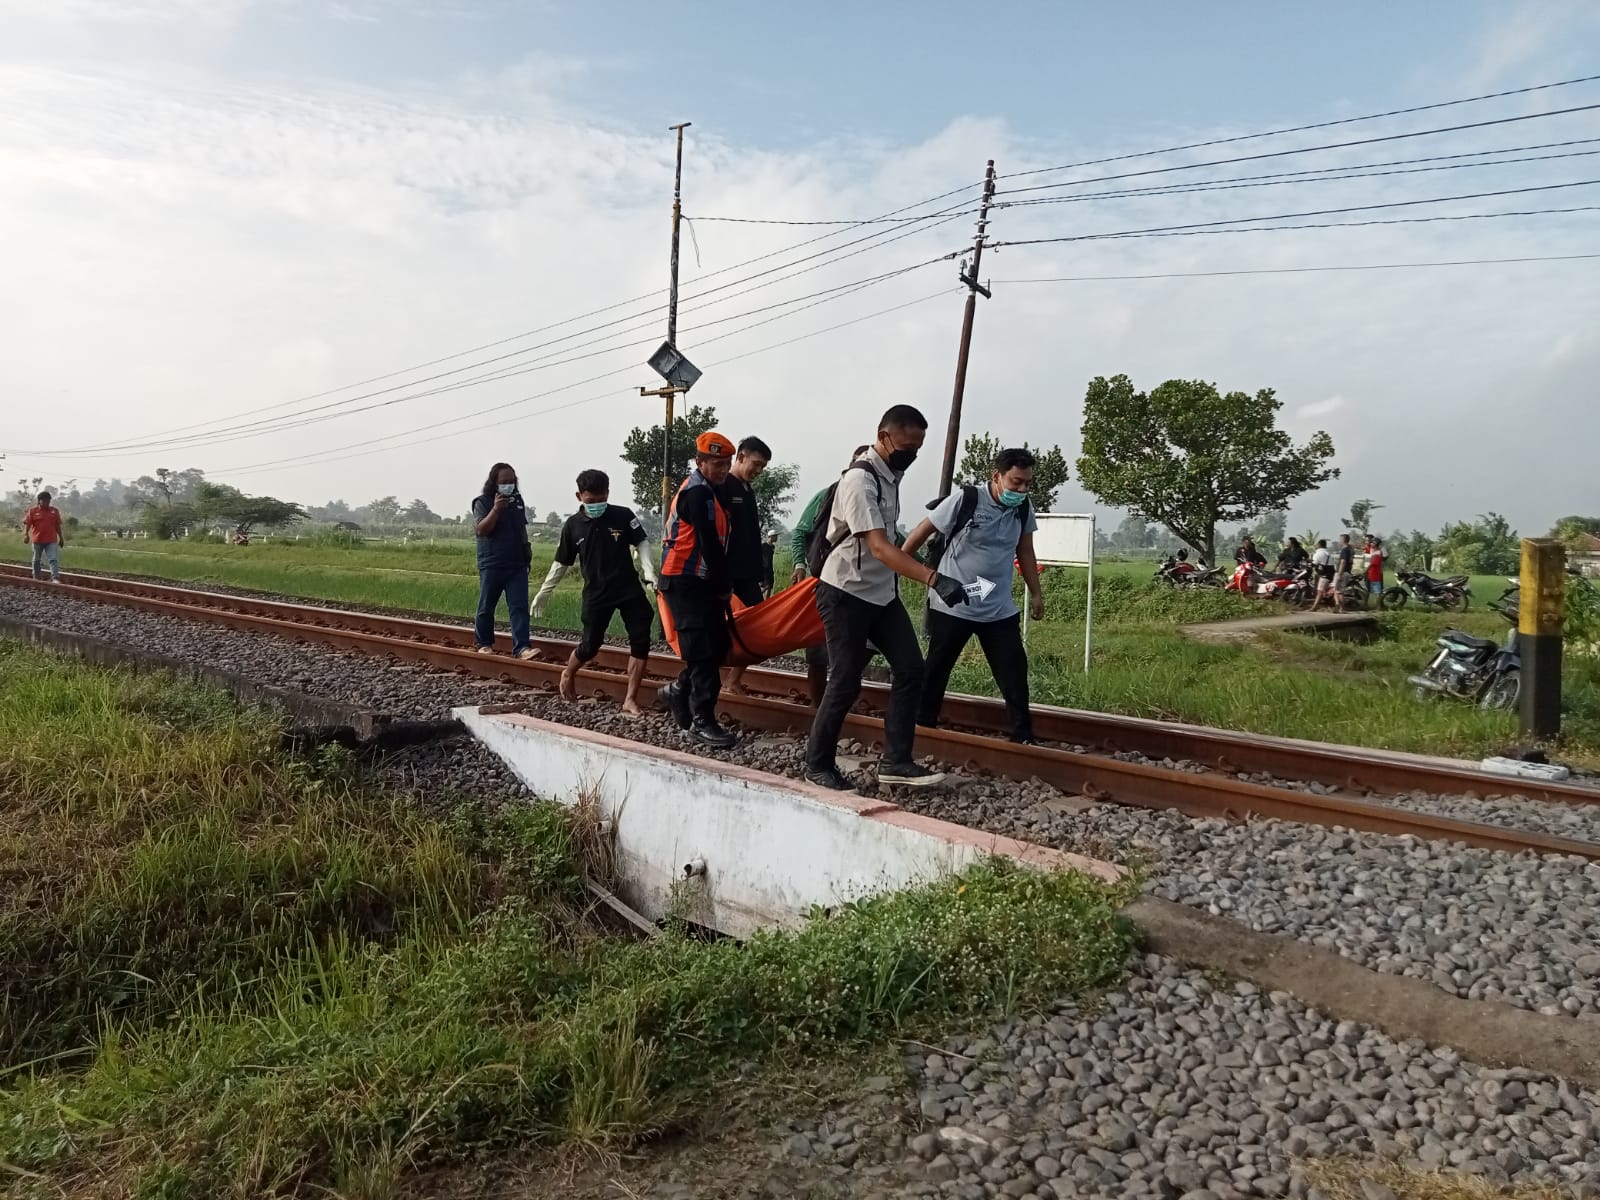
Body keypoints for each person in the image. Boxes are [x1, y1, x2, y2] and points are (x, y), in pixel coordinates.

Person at [804, 405, 969, 791]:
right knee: (845, 681)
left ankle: (896, 761)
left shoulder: (890, 476)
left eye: (918, 449)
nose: (911, 455)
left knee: (911, 670)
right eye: (907, 447)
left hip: (880, 594)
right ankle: (817, 764)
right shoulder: (860, 480)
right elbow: (879, 547)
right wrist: (933, 578)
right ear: (883, 436)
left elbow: (891, 540)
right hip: (845, 592)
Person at [904, 447, 1044, 744]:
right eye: (1016, 482)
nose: (1022, 489)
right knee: (938, 668)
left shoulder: (1022, 508)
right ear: (997, 476)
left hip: (998, 607)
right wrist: (900, 565)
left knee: (1013, 670)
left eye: (1027, 483)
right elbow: (920, 532)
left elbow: (1026, 552)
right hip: (954, 603)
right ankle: (922, 726)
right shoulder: (966, 499)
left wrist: (1036, 594)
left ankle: (1023, 736)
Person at [532, 469, 657, 717]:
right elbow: (562, 562)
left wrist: (650, 572)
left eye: (602, 499)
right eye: (591, 500)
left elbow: (641, 542)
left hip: (628, 588)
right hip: (596, 593)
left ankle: (630, 699)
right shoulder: (573, 526)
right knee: (590, 646)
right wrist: (544, 591)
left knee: (641, 641)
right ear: (579, 496)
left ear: (608, 493)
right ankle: (569, 672)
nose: (597, 504)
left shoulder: (623, 515)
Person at [656, 431, 740, 748]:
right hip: (685, 580)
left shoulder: (711, 491)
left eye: (727, 464)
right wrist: (724, 586)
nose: (723, 470)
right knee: (703, 652)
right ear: (700, 462)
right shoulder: (698, 494)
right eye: (717, 464)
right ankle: (702, 721)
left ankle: (678, 690)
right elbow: (709, 544)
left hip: (699, 581)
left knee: (715, 647)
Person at [786, 446, 872, 704]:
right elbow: (800, 532)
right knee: (818, 649)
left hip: (863, 587)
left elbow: (894, 540)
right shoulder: (828, 494)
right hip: (827, 581)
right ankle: (818, 706)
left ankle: (838, 703)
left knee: (859, 647)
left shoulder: (877, 497)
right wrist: (799, 564)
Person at [470, 463, 538, 660]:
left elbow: (521, 529)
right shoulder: (482, 502)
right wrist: (496, 510)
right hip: (492, 563)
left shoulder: (517, 501)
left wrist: (526, 554)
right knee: (487, 605)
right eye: (504, 481)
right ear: (494, 482)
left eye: (512, 481)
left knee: (519, 606)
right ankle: (484, 643)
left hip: (516, 563)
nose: (509, 485)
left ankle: (522, 647)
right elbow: (482, 529)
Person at [725, 436, 770, 608]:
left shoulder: (748, 490)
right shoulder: (724, 486)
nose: (759, 470)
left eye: (763, 467)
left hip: (749, 575)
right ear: (741, 457)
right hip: (730, 575)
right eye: (756, 464)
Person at [23, 491, 64, 583]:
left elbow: (57, 526)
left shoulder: (54, 511)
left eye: (48, 501)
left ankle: (55, 578)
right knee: (36, 560)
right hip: (37, 540)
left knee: (53, 559)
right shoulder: (33, 511)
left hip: (51, 540)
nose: (46, 502)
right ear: (39, 501)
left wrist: (61, 538)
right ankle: (36, 578)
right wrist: (26, 535)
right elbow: (28, 524)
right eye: (44, 500)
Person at [1307, 538, 1335, 611]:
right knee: (1322, 589)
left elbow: (1314, 563)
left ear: (1319, 545)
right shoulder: (1328, 553)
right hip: (1331, 573)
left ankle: (1314, 607)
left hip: (1324, 574)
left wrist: (1308, 565)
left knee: (1320, 591)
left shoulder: (1318, 553)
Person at [1334, 533, 1355, 612]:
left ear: (1343, 540)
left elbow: (1343, 562)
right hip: (1346, 572)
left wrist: (1339, 574)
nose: (1339, 541)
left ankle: (1341, 608)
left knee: (1339, 592)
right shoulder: (1350, 549)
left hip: (1343, 572)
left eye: (1340, 539)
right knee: (1336, 590)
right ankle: (1337, 605)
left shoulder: (1345, 550)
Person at [1365, 535, 1386, 607]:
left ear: (1375, 544)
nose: (1370, 543)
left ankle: (1378, 607)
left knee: (1377, 592)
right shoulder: (1373, 551)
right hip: (1371, 574)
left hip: (1375, 575)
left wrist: (1365, 571)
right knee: (1368, 590)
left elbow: (1371, 564)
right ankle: (1367, 605)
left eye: (1372, 542)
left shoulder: (1377, 553)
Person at [760, 532, 778, 599]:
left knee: (770, 587)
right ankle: (755, 597)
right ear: (770, 536)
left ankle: (767, 602)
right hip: (764, 569)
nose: (776, 538)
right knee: (766, 586)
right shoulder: (763, 545)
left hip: (770, 569)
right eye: (775, 536)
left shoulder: (772, 546)